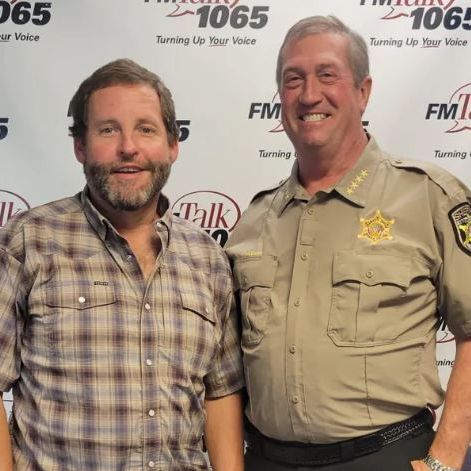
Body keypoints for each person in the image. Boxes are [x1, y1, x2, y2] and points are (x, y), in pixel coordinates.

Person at [226, 15, 471, 471]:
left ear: (363, 91)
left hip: (387, 457)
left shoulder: (429, 198)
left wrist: (445, 460)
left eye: (327, 75)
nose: (309, 94)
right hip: (265, 459)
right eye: (293, 79)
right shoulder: (253, 222)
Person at [0, 58, 244, 470]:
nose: (128, 147)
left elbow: (221, 393)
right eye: (108, 130)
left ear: (173, 145)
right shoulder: (28, 242)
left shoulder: (208, 258)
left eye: (146, 129)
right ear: (80, 146)